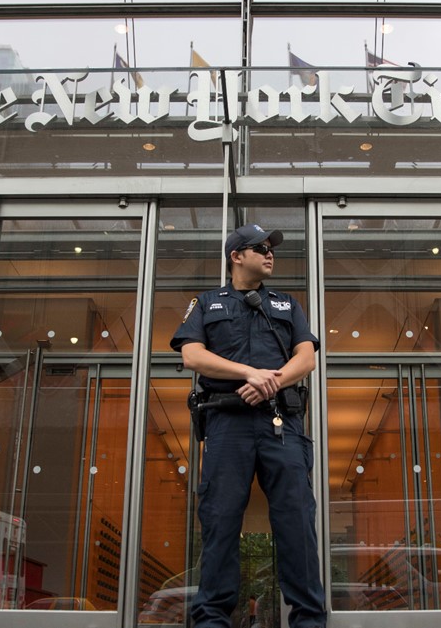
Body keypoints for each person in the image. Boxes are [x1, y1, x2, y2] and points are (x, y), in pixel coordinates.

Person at [171, 223, 326, 628]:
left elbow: (306, 358)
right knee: (220, 520)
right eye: (260, 248)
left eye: (271, 248)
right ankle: (211, 620)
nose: (270, 253)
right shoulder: (207, 303)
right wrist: (249, 374)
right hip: (227, 425)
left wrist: (268, 381)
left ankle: (309, 620)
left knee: (296, 521)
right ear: (236, 256)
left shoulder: (287, 304)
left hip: (281, 423)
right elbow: (192, 355)